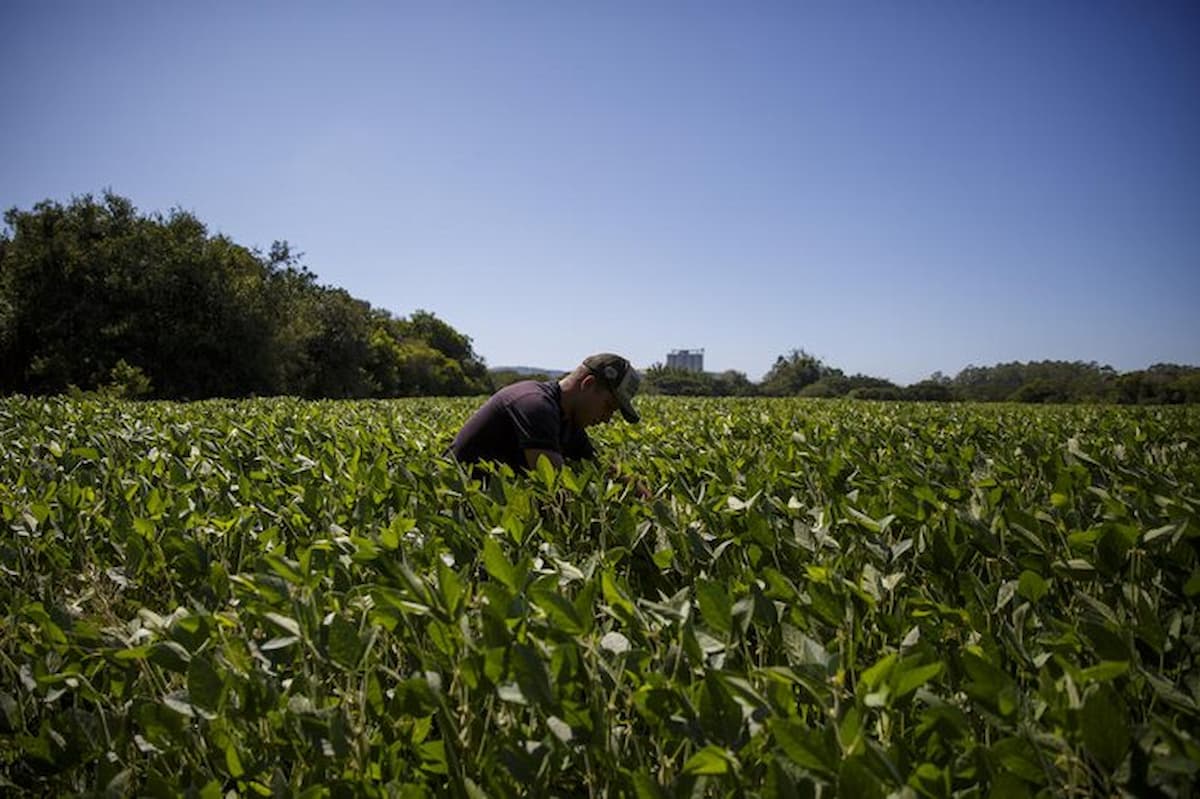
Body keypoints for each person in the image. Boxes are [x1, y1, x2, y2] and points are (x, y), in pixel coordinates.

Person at [449, 352, 641, 472]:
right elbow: (555, 490)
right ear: (588, 384)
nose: (607, 419)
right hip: (455, 514)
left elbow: (601, 471)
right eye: (608, 406)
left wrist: (652, 502)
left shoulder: (566, 419)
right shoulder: (535, 406)